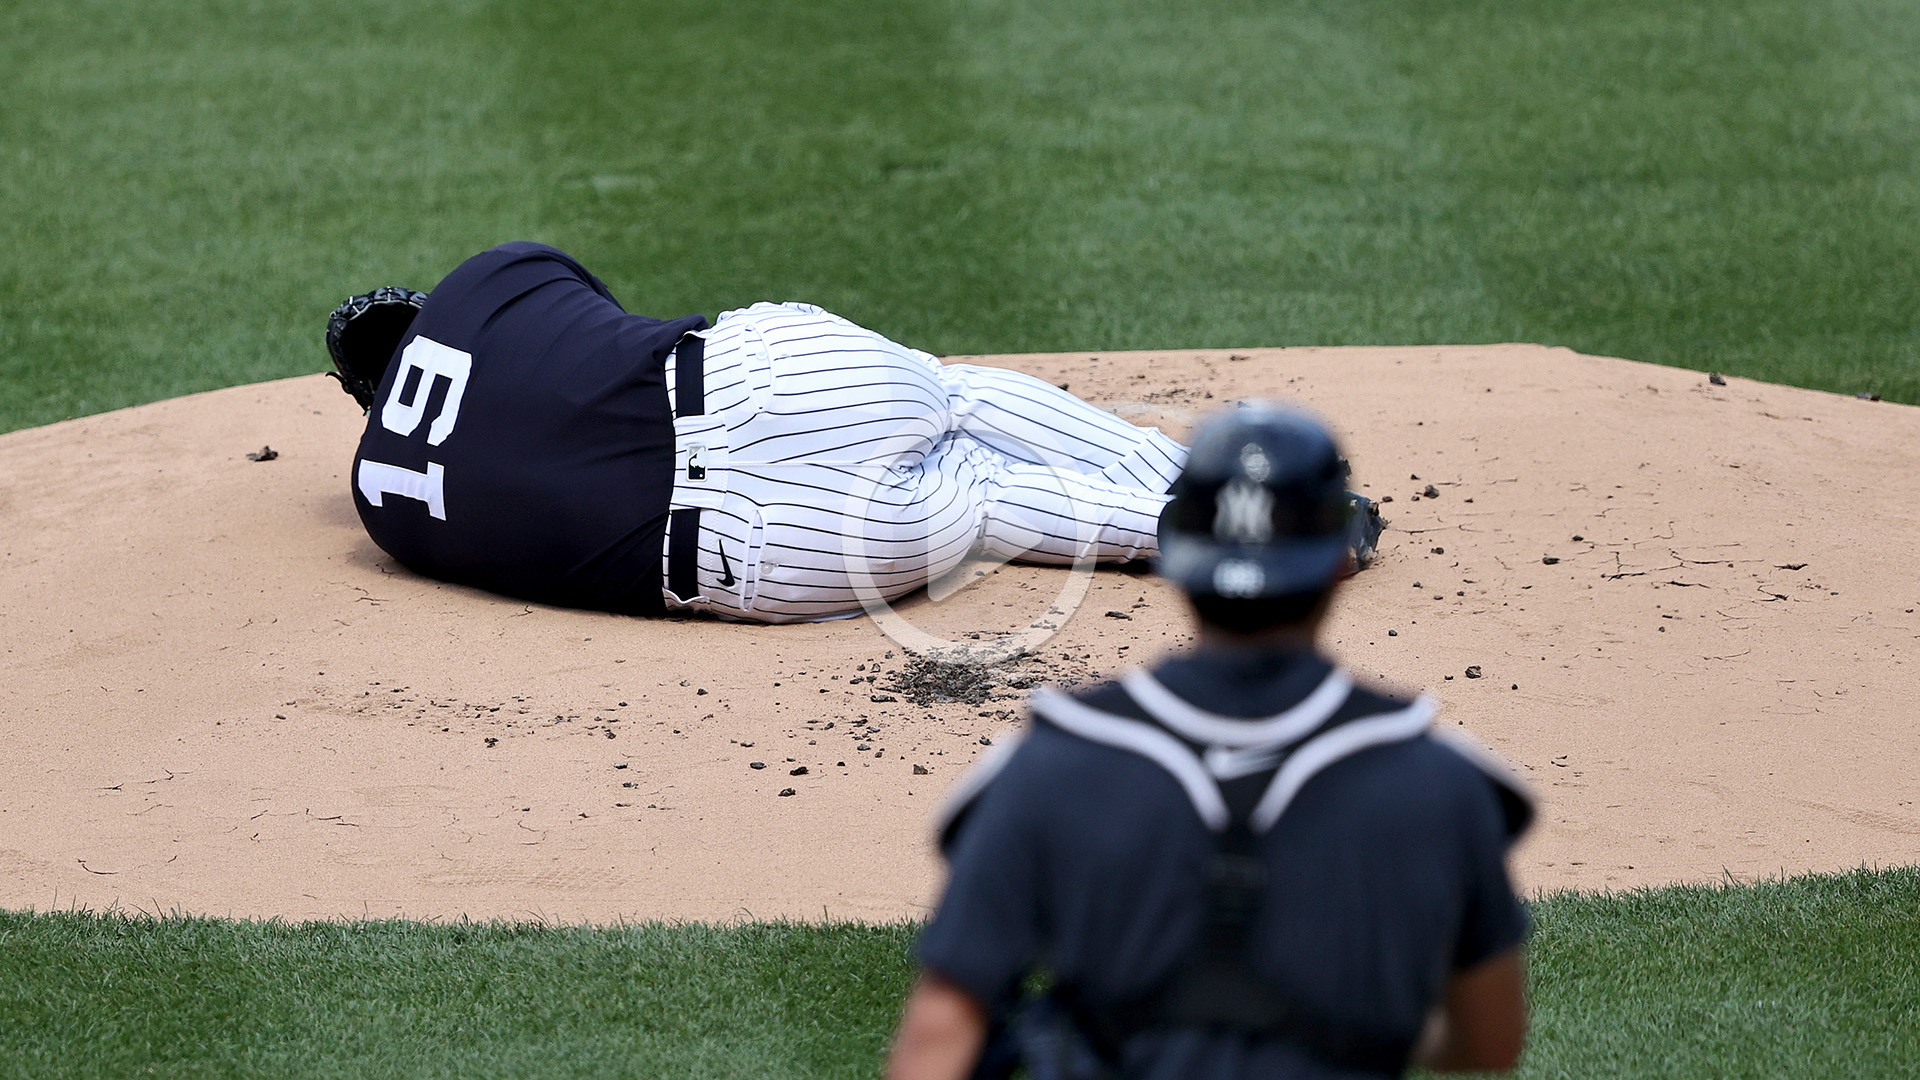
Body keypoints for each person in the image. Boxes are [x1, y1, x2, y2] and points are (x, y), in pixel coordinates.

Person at [887, 404, 1534, 1080]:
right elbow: (1490, 1045)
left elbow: (936, 1047)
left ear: (1182, 562)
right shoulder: (1437, 781)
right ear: (1332, 564)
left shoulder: (1051, 766)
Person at [325, 241, 1193, 623]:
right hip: (763, 384)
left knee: (983, 501)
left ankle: (1241, 534)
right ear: (421, 309)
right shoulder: (490, 280)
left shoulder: (383, 509)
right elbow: (604, 323)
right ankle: (1190, 471)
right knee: (951, 400)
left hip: (757, 562)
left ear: (368, 403)